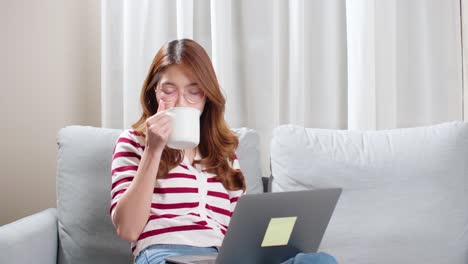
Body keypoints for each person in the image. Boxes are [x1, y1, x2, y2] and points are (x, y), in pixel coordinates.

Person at [110, 39, 338, 264]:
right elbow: (128, 229)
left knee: (320, 261)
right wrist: (153, 150)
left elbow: (243, 232)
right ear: (154, 92)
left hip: (221, 257)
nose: (181, 103)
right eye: (169, 90)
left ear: (206, 97)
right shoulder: (134, 143)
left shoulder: (224, 154)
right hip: (162, 252)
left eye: (194, 92)